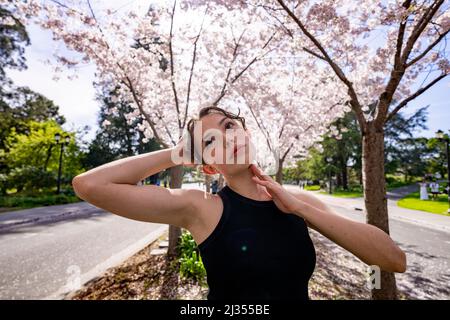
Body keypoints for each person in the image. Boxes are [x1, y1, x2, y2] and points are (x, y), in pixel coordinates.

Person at [72, 106, 406, 300]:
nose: (228, 138)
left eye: (230, 126)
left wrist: (301, 209)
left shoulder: (298, 200)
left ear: (245, 131)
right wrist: (176, 153)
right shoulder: (201, 207)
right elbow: (89, 185)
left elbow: (392, 259)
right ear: (207, 165)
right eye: (210, 140)